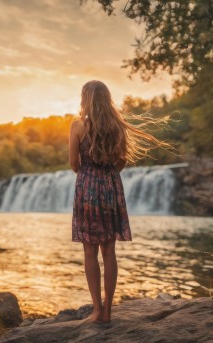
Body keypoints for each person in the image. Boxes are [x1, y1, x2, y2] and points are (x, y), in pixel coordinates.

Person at [69, 80, 170, 324]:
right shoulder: (117, 127)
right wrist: (109, 174)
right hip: (111, 184)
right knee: (109, 250)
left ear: (85, 99)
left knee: (90, 251)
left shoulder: (78, 126)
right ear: (106, 99)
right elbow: (123, 159)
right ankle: (108, 311)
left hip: (87, 185)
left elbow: (73, 164)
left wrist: (89, 174)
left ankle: (96, 310)